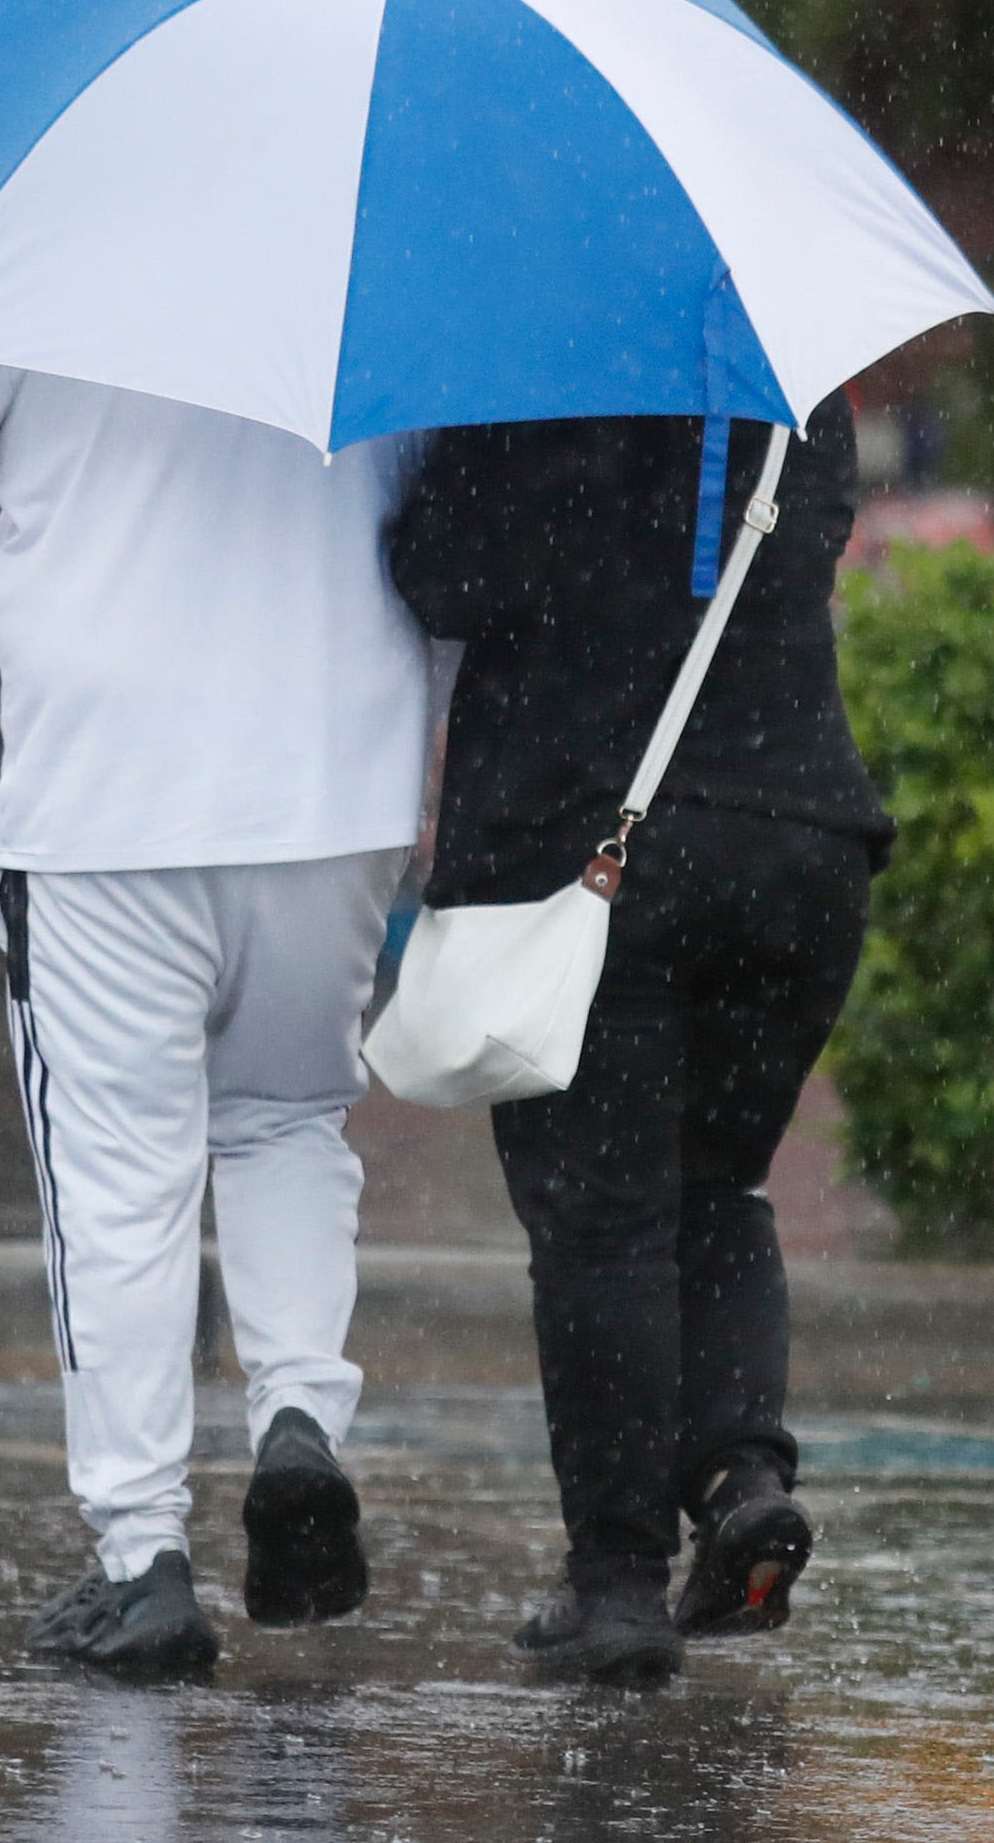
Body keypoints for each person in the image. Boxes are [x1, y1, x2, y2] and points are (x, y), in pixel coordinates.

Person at [0, 358, 444, 1680]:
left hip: (106, 804)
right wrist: (434, 742)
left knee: (120, 1184)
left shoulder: (24, 266)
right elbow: (447, 538)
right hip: (332, 795)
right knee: (290, 1122)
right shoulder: (386, 264)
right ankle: (299, 1408)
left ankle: (144, 1558)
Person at [386, 397, 889, 1686]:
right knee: (715, 1185)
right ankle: (741, 1481)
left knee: (603, 1220)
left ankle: (616, 1584)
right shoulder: (800, 390)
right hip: (801, 840)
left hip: (602, 852)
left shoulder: (550, 385)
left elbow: (439, 571)